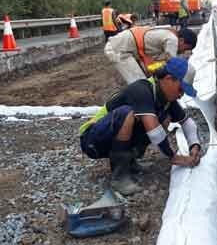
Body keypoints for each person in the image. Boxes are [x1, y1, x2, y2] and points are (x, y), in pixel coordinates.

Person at [79, 57, 202, 196]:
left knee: (163, 117)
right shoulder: (141, 90)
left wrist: (194, 146)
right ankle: (119, 177)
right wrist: (173, 157)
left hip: (108, 139)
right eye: (181, 89)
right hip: (92, 139)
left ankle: (130, 162)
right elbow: (154, 131)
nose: (181, 95)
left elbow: (186, 122)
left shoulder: (165, 99)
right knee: (129, 114)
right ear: (168, 78)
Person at [104, 25, 197, 84]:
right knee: (140, 84)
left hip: (122, 46)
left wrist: (153, 69)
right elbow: (171, 66)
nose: (183, 52)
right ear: (181, 40)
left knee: (144, 82)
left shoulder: (168, 34)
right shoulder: (173, 40)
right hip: (118, 50)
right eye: (186, 48)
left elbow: (155, 66)